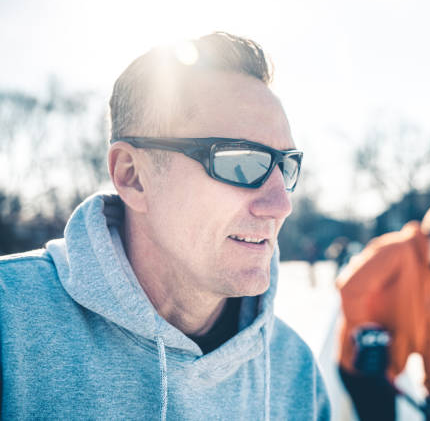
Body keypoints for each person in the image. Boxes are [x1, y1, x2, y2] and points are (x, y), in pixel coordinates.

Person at [0, 33, 330, 419]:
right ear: (133, 176)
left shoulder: (293, 371)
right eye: (241, 162)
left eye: (285, 166)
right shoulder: (12, 328)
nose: (281, 204)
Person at [335, 200, 430, 421]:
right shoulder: (399, 249)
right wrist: (366, 335)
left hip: (386, 373)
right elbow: (351, 286)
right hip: (361, 368)